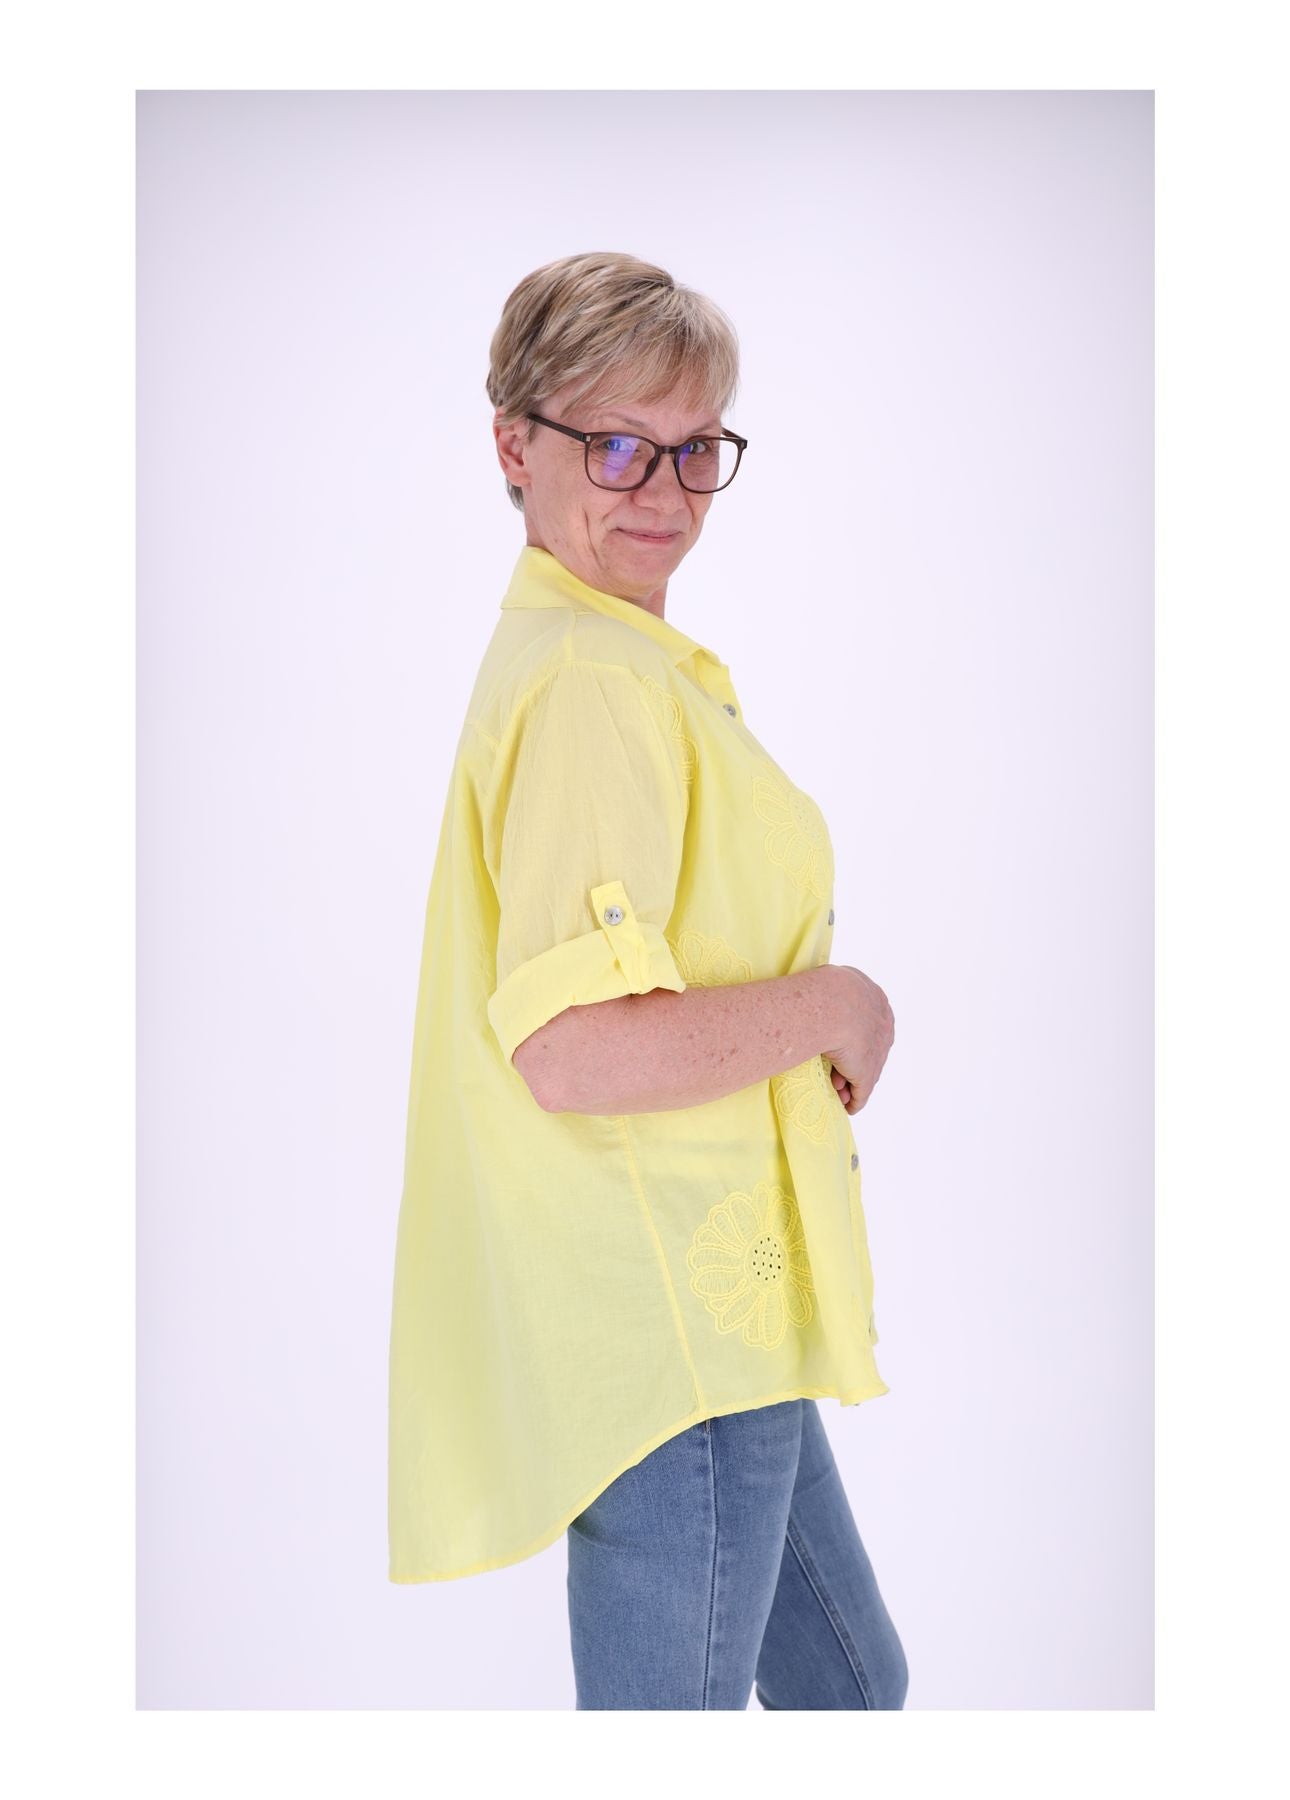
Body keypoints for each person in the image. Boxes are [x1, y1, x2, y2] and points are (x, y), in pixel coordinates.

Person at [387, 250, 906, 1710]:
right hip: (665, 1315)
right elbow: (574, 1048)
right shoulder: (590, 685)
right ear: (516, 447)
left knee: (855, 1688)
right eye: (615, 445)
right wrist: (835, 1005)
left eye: (693, 448)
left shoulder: (617, 657)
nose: (662, 491)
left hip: (721, 1309)